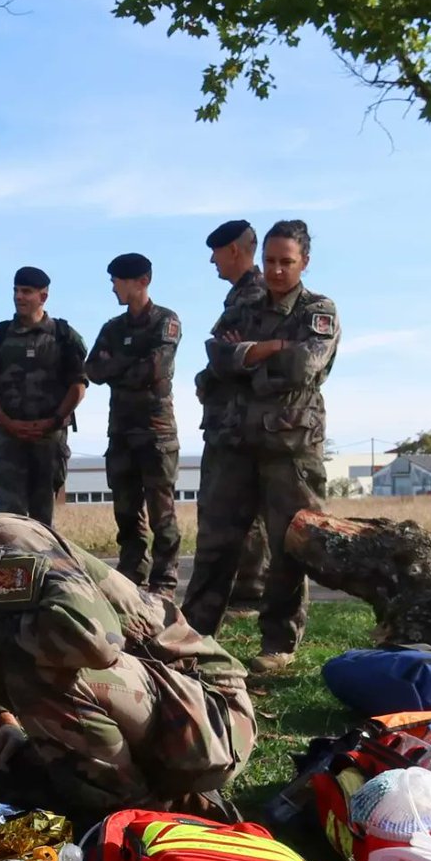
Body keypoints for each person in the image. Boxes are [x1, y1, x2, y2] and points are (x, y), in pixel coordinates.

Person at [0, 514, 256, 832]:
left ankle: (141, 821)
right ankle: (149, 801)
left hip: (210, 718)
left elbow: (96, 642)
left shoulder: (1, 546)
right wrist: (7, 731)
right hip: (143, 722)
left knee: (30, 662)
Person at [182, 219, 340, 672]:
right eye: (269, 260)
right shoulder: (245, 307)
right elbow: (214, 357)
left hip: (289, 447)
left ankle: (278, 643)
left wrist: (244, 358)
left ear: (303, 262)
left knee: (288, 547)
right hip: (233, 442)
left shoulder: (318, 310)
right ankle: (193, 636)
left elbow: (301, 367)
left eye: (285, 262)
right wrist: (265, 348)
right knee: (216, 543)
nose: (274, 271)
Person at [86, 254, 182, 597]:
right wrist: (130, 365)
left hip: (156, 431)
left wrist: (118, 364)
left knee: (161, 510)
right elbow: (93, 370)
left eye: (118, 281)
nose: (113, 287)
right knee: (126, 509)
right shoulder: (113, 328)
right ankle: (131, 570)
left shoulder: (166, 320)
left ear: (141, 281)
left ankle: (165, 578)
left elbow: (156, 368)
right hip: (121, 431)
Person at [0, 266, 87, 527]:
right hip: (8, 442)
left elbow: (78, 385)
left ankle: (44, 569)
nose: (19, 297)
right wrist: (8, 423)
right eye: (16, 291)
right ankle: (8, 569)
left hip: (48, 442)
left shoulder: (63, 337)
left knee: (43, 522)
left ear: (43, 296)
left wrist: (53, 420)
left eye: (26, 291)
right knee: (6, 522)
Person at [200, 220, 271, 609]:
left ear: (233, 250)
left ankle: (250, 589)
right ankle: (245, 589)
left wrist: (227, 355)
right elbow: (220, 352)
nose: (212, 260)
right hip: (226, 418)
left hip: (241, 421)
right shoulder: (237, 297)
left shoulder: (254, 296)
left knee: (239, 512)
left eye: (216, 252)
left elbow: (235, 356)